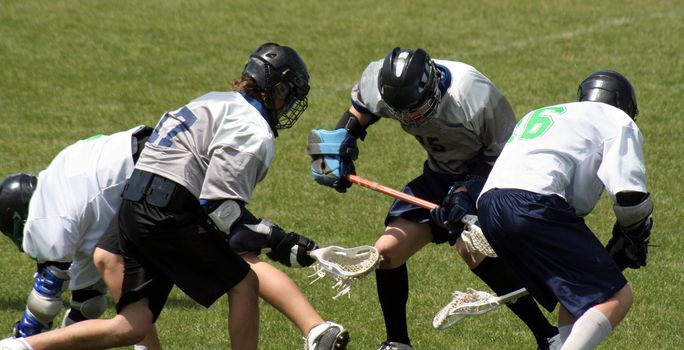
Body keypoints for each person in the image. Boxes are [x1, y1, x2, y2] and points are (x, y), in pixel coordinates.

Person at [0, 42, 349, 350]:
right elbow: (221, 209)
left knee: (131, 326)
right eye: (288, 95)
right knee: (243, 282)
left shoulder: (212, 101)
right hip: (166, 211)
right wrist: (280, 239)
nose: (287, 106)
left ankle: (19, 347)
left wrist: (274, 239)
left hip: (131, 203)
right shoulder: (252, 131)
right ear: (276, 89)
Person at [307, 47, 559, 349]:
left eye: (416, 107)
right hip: (439, 177)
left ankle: (548, 335)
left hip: (490, 177)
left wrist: (466, 193)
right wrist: (340, 141)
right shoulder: (381, 83)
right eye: (401, 111)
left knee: (473, 251)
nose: (410, 117)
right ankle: (398, 343)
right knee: (386, 252)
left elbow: (504, 156)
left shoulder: (473, 94)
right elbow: (360, 111)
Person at [473, 70, 652, 349]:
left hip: (490, 207)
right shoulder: (616, 119)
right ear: (625, 105)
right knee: (615, 297)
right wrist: (636, 235)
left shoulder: (543, 113)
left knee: (577, 296)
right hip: (533, 203)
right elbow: (630, 197)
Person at [0, 125, 162, 350]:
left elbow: (46, 298)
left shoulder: (47, 214)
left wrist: (24, 336)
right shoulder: (64, 192)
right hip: (157, 150)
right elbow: (88, 305)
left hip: (152, 175)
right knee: (99, 285)